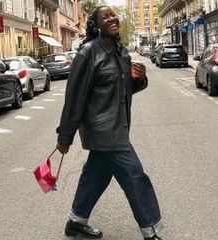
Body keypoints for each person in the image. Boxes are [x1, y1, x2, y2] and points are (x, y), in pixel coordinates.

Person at [56, 6, 164, 240]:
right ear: (96, 25)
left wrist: (140, 79)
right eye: (105, 17)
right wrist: (65, 136)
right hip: (103, 129)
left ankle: (75, 222)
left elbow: (123, 91)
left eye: (113, 15)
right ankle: (151, 230)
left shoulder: (120, 52)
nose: (112, 19)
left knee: (96, 174)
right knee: (135, 176)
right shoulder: (88, 52)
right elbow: (75, 97)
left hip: (118, 126)